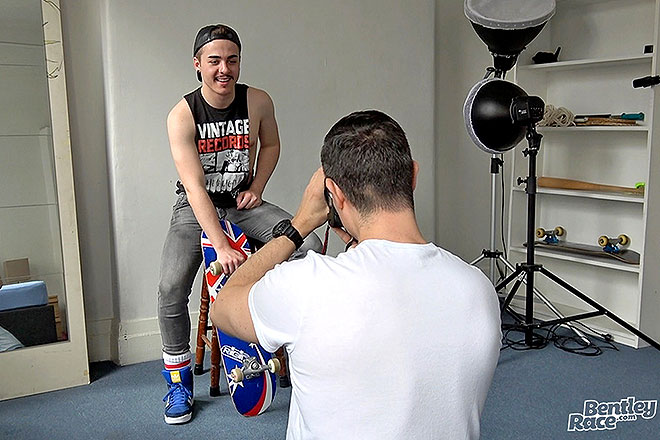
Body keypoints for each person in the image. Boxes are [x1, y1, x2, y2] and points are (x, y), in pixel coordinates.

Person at [210, 110, 502, 439]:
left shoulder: (307, 285)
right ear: (413, 176)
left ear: (334, 195)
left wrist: (298, 226)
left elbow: (224, 306)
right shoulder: (479, 288)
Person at [158, 24, 322, 425]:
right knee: (170, 287)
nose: (224, 69)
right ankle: (178, 383)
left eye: (232, 60)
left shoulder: (258, 101)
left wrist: (257, 187)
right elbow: (195, 188)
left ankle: (280, 334)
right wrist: (222, 245)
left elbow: (272, 144)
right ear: (197, 64)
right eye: (214, 61)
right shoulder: (182, 115)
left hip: (242, 203)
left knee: (309, 246)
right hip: (195, 207)